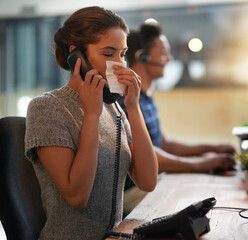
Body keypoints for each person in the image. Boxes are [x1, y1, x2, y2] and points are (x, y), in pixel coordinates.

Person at [24, 6, 157, 240]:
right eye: (108, 54)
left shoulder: (114, 108)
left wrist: (134, 109)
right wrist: (92, 115)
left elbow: (147, 181)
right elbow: (77, 196)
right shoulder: (47, 107)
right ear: (77, 56)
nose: (119, 64)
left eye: (122, 54)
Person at [119, 22, 236, 208]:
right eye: (164, 53)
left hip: (153, 181)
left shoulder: (146, 98)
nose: (170, 59)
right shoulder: (127, 101)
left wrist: (213, 148)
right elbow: (145, 154)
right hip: (134, 190)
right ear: (143, 56)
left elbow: (165, 145)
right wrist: (200, 163)